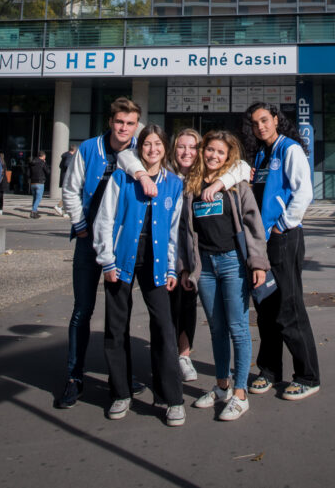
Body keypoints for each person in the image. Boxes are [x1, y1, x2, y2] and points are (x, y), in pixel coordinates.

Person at [121, 126, 251, 384]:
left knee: (188, 306)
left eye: (193, 147)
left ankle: (184, 355)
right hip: (167, 253)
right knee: (165, 308)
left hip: (198, 257)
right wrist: (140, 174)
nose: (187, 152)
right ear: (173, 149)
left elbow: (242, 167)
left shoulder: (206, 175)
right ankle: (165, 360)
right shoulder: (164, 173)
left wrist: (220, 183)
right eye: (181, 146)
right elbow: (126, 156)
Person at [94, 123, 185, 426]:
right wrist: (106, 260)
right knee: (116, 327)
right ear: (139, 147)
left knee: (163, 328)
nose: (153, 149)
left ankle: (171, 398)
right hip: (121, 261)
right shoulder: (122, 178)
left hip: (157, 263)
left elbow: (173, 232)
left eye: (158, 144)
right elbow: (106, 219)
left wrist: (172, 266)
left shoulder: (174, 184)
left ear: (165, 148)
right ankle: (121, 392)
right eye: (147, 144)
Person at [57, 96, 144, 410]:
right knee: (82, 310)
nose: (124, 128)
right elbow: (71, 188)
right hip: (87, 241)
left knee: (118, 315)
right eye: (119, 122)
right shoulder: (88, 148)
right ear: (111, 121)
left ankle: (118, 377)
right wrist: (80, 225)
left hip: (120, 245)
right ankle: (74, 376)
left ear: (137, 125)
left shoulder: (139, 150)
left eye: (130, 123)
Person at [180, 130, 269, 421]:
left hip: (232, 263)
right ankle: (222, 387)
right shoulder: (190, 185)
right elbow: (184, 231)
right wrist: (185, 267)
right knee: (217, 329)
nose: (214, 156)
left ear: (228, 156)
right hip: (204, 267)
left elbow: (254, 224)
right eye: (210, 150)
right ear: (202, 151)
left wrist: (257, 263)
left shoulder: (236, 185)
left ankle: (241, 394)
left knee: (238, 328)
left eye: (221, 152)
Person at [242, 102, 320, 402]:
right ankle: (270, 370)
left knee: (289, 307)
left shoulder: (290, 149)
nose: (260, 126)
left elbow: (304, 192)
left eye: (265, 120)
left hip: (283, 237)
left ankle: (307, 376)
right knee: (265, 308)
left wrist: (282, 225)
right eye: (255, 123)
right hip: (262, 241)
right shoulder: (261, 154)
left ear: (276, 120)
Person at [55, 144, 77, 217]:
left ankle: (63, 209)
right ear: (74, 150)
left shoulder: (64, 156)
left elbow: (61, 166)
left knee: (68, 194)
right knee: (69, 195)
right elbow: (67, 165)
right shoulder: (70, 156)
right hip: (68, 178)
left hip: (64, 177)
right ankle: (60, 207)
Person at [29, 151, 50, 218]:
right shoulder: (42, 163)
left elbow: (28, 172)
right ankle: (33, 211)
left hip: (32, 182)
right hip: (40, 182)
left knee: (35, 198)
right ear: (43, 156)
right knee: (38, 198)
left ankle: (35, 212)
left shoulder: (32, 162)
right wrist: (45, 163)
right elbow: (48, 171)